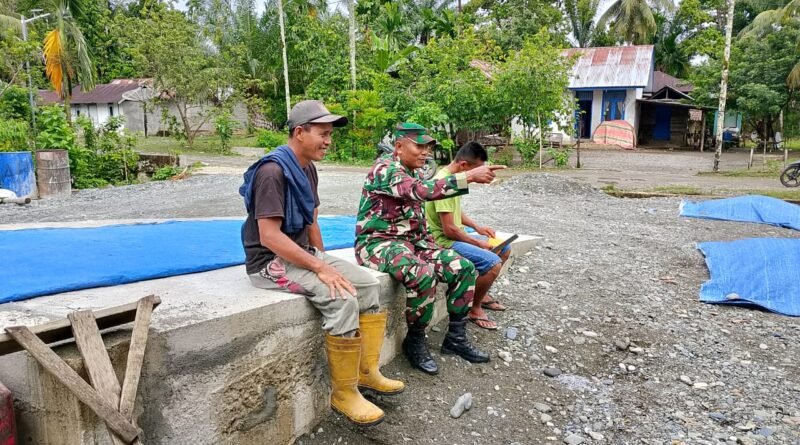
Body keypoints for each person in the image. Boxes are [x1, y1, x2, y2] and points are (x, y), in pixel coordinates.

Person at [239, 100, 402, 427]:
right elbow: (269, 236)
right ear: (299, 132)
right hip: (270, 262)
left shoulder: (307, 168)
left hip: (300, 253)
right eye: (322, 134)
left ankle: (366, 371)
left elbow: (311, 218)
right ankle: (344, 393)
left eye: (330, 134)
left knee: (367, 285)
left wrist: (324, 259)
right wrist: (319, 268)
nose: (328, 141)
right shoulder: (272, 172)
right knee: (342, 298)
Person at [355, 123, 504, 375]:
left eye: (428, 148)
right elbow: (420, 192)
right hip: (379, 244)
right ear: (399, 146)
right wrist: (468, 176)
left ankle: (455, 339)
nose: (425, 152)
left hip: (413, 243)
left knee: (463, 267)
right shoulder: (385, 169)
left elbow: (418, 215)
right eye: (419, 146)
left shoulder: (412, 171)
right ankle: (414, 341)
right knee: (422, 273)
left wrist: (432, 247)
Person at [425, 142, 510, 331]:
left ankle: (480, 294)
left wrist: (477, 227)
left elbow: (454, 210)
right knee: (492, 263)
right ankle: (474, 308)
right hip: (444, 241)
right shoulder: (443, 181)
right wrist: (478, 243)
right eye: (478, 171)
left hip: (454, 235)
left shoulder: (453, 180)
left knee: (504, 247)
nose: (482, 175)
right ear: (464, 165)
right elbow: (449, 230)